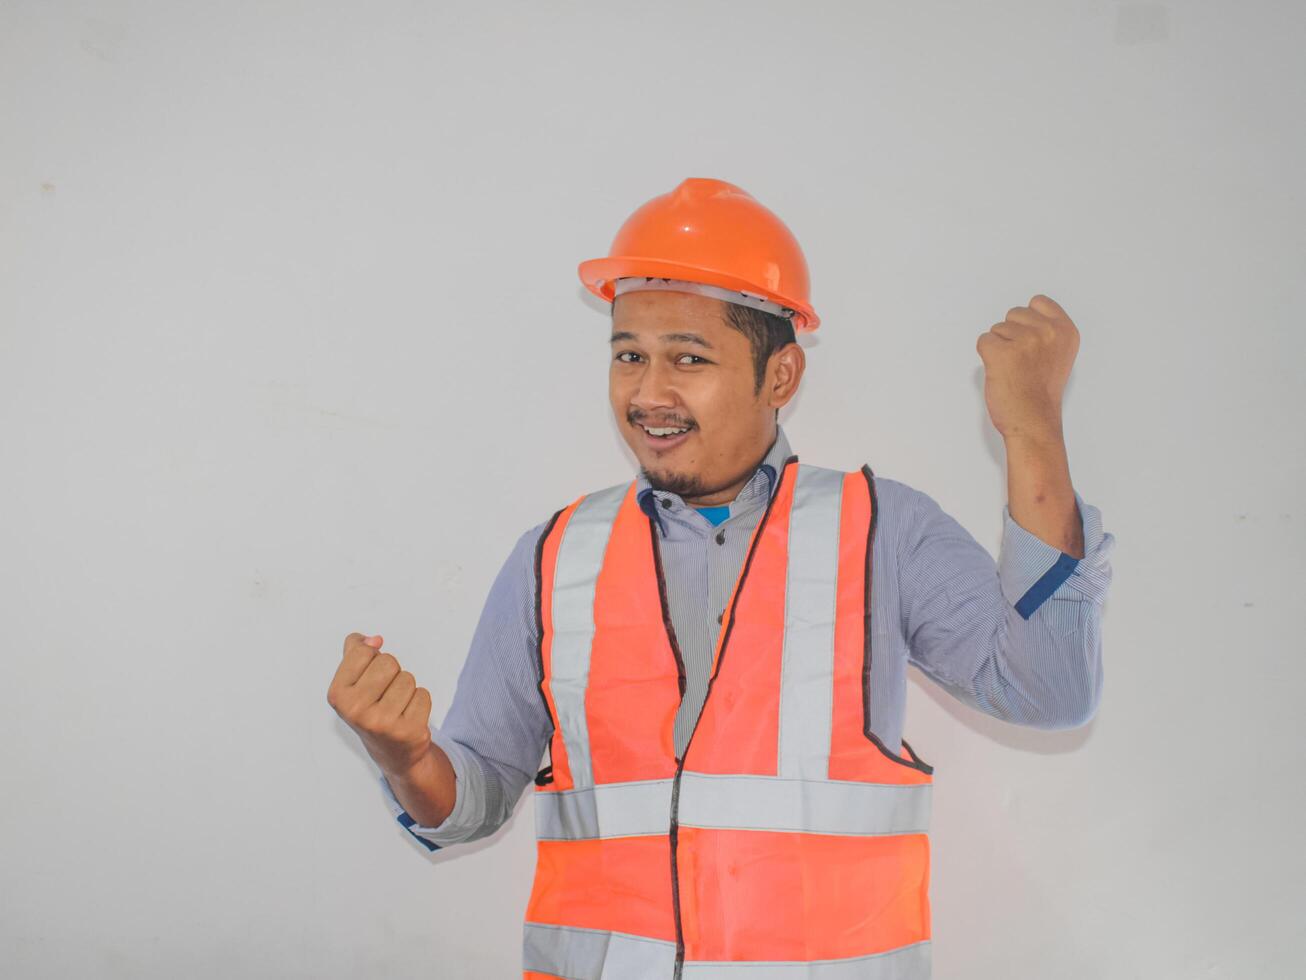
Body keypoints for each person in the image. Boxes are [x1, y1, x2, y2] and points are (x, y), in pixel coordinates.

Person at [326, 177, 1116, 979]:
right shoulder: (555, 557)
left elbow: (1050, 689)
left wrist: (1032, 431)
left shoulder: (884, 533)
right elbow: (469, 803)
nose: (649, 392)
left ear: (781, 377)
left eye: (688, 358)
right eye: (629, 355)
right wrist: (404, 757)